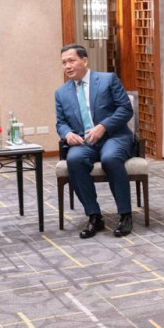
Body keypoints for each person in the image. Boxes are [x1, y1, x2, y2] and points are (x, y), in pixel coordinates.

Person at [55, 44, 136, 238]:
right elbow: (61, 122)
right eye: (64, 63)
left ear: (84, 60)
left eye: (71, 60)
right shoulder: (61, 92)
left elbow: (125, 109)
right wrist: (67, 134)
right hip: (84, 141)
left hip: (113, 136)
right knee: (74, 160)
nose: (67, 66)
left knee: (110, 158)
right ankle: (94, 216)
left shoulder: (108, 80)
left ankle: (125, 215)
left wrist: (103, 126)